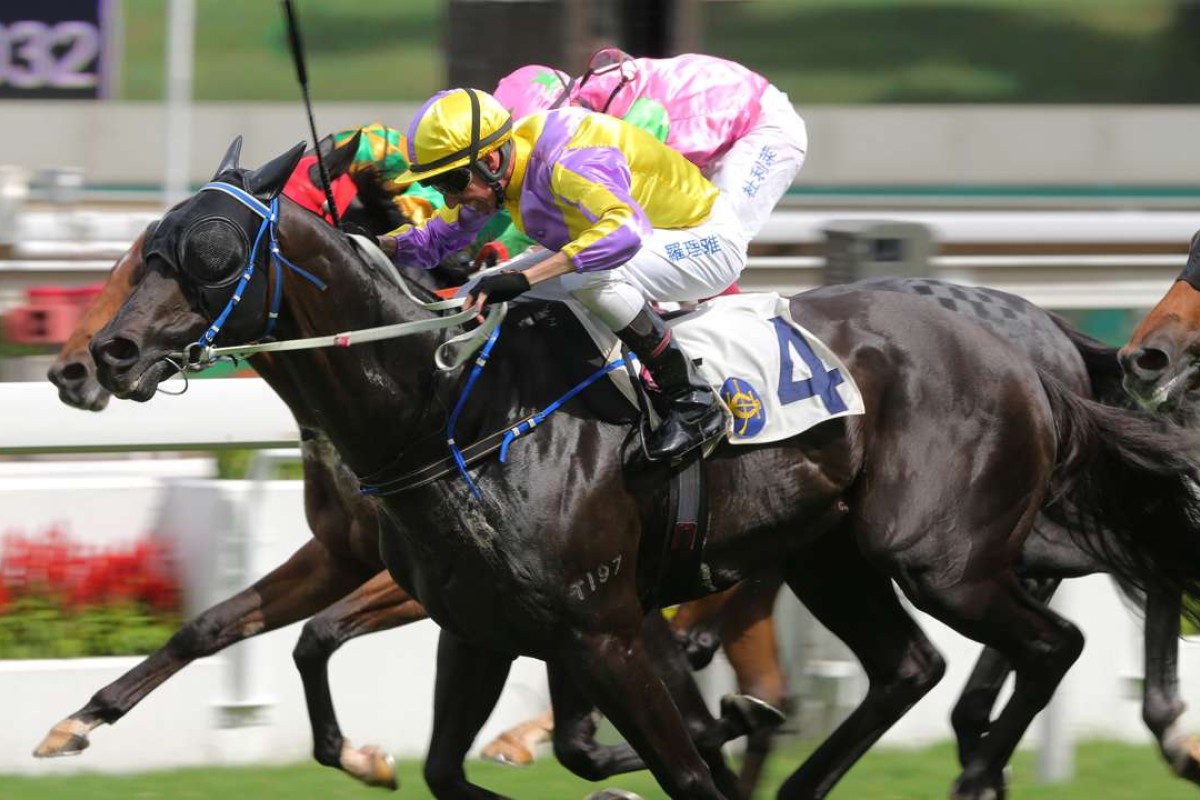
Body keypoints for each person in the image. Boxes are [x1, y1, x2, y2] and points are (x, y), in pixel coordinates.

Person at [377, 88, 750, 462]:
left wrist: (527, 278)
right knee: (474, 293)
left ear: (490, 160)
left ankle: (694, 401)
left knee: (583, 278)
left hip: (704, 240)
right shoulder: (499, 170)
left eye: (451, 183)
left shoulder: (566, 160)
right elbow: (436, 239)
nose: (450, 199)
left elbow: (625, 232)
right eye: (437, 186)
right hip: (637, 240)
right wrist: (371, 244)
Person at [493, 50, 808, 241]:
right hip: (712, 129)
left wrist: (509, 246)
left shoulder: (635, 121)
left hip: (762, 127)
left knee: (717, 237)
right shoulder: (579, 106)